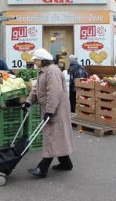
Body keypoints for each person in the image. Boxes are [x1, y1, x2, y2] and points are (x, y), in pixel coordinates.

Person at [22, 48, 74, 178]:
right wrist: (29, 102)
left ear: (42, 60)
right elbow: (37, 89)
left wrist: (50, 111)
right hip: (54, 107)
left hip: (56, 109)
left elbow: (54, 92)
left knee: (51, 135)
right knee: (57, 135)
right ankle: (66, 163)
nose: (34, 62)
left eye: (36, 60)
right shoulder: (44, 71)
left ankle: (42, 168)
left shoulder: (52, 71)